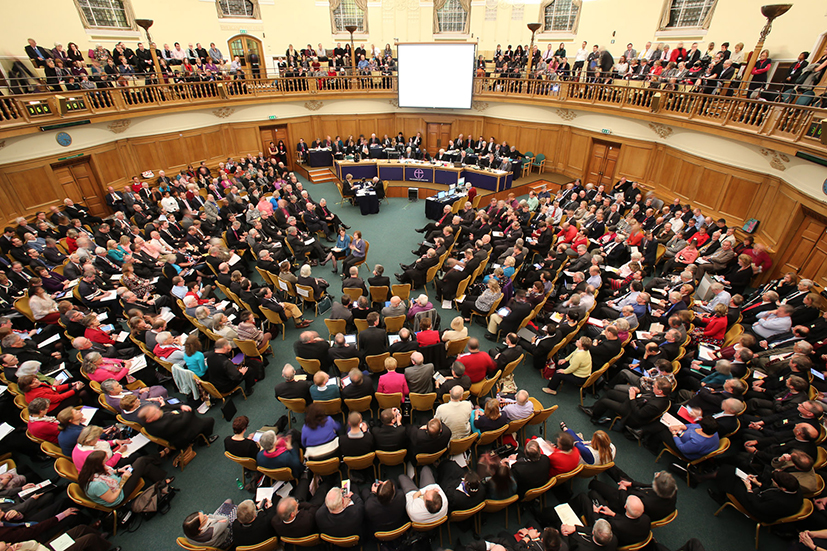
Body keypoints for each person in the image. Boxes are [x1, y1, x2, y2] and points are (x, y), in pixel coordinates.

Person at [78, 449, 170, 507]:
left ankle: (162, 481)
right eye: (104, 461)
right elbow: (112, 498)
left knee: (143, 466)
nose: (106, 463)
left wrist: (118, 471)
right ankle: (160, 455)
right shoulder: (96, 485)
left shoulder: (90, 470)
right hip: (119, 495)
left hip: (117, 482)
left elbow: (107, 474)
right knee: (140, 461)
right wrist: (124, 479)